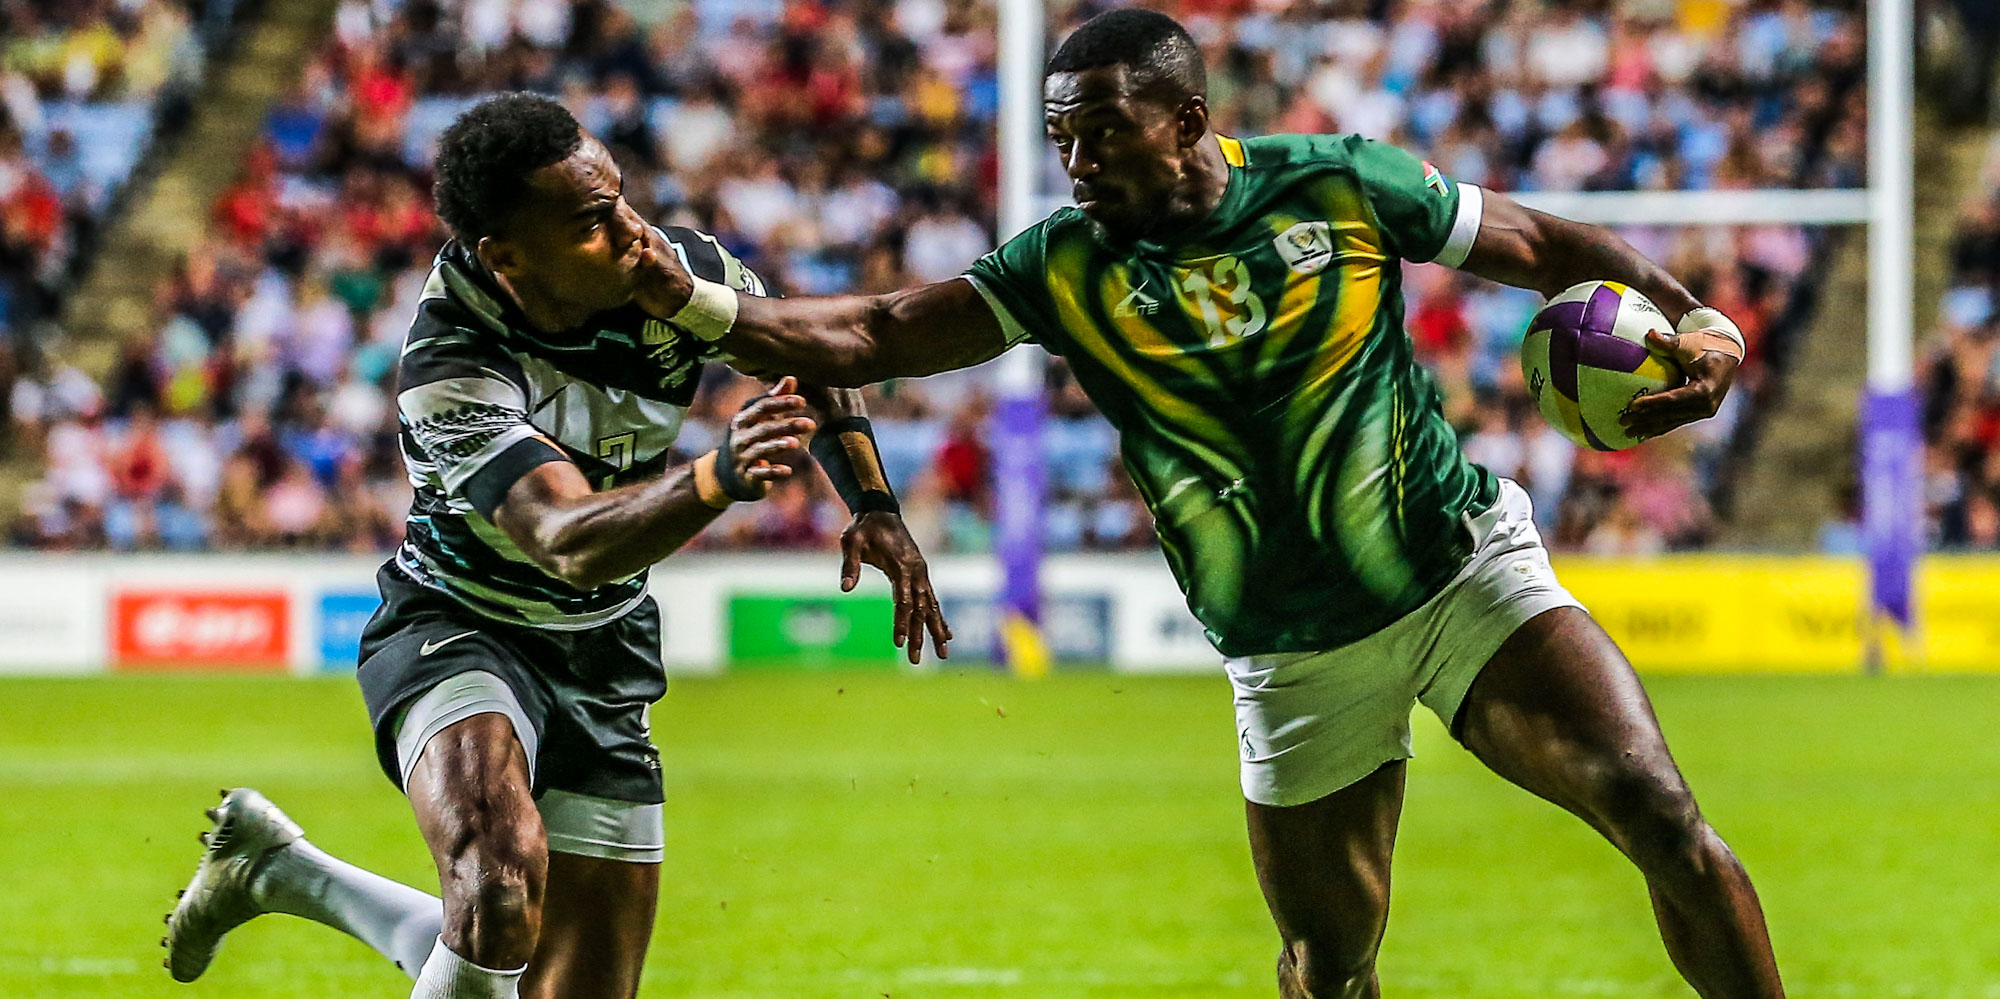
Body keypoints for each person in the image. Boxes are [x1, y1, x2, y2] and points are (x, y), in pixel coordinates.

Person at [632, 10, 1784, 998]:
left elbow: (1540, 243)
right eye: (1059, 137)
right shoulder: (1060, 265)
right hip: (1290, 653)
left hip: (1460, 577)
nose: (1075, 161)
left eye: (1099, 131)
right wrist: (689, 302)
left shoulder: (1336, 181)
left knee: (1659, 814)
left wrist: (1701, 322)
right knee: (1327, 966)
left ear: (1185, 121)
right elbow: (877, 332)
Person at [163, 94, 951, 999]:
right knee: (496, 881)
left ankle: (278, 871)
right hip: (461, 624)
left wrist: (874, 501)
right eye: (589, 222)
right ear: (506, 255)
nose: (630, 232)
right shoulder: (452, 361)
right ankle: (293, 873)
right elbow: (566, 538)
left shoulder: (678, 270)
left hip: (606, 645)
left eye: (621, 198)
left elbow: (807, 354)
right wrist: (715, 477)